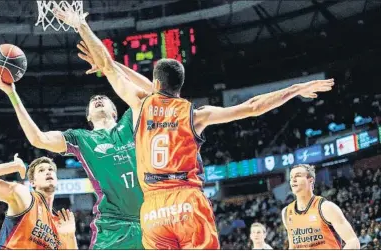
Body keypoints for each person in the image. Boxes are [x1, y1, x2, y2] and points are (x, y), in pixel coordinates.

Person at [54, 6, 335, 249]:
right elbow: (253, 107)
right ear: (180, 84)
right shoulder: (196, 114)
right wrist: (297, 87)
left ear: (155, 83)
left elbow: (108, 65)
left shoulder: (141, 106)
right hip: (187, 200)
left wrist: (82, 27)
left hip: (152, 208)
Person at [0, 43, 153, 249]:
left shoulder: (130, 122)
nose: (98, 99)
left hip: (151, 219)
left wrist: (109, 64)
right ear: (88, 117)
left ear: (115, 111)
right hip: (112, 226)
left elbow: (150, 94)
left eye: (103, 99)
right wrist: (12, 93)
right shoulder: (80, 138)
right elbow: (38, 139)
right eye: (93, 101)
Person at [0, 155, 77, 249]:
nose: (48, 172)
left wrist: (71, 236)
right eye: (41, 170)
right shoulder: (26, 196)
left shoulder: (61, 223)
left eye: (50, 169)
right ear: (33, 182)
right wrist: (13, 166)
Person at [281, 164, 360, 249]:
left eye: (298, 176)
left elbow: (353, 241)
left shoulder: (326, 208)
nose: (293, 180)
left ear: (310, 180)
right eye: (291, 177)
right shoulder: (286, 212)